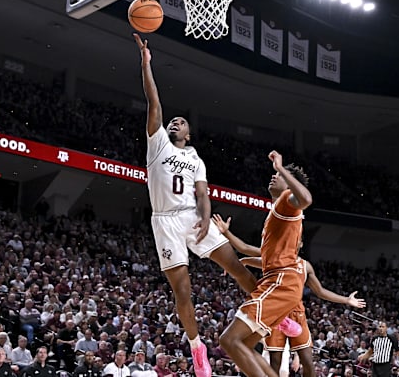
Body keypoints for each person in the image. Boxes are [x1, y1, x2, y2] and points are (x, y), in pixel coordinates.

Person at [133, 33, 259, 377]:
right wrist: (146, 65)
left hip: (192, 216)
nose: (175, 122)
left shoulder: (195, 157)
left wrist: (205, 219)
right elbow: (154, 103)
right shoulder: (158, 144)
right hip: (165, 222)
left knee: (237, 268)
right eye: (173, 121)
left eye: (182, 122)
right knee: (183, 290)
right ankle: (197, 347)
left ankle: (274, 314)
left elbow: (203, 194)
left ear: (188, 133)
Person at [212, 214, 367, 377]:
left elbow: (320, 291)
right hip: (276, 308)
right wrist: (240, 255)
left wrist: (346, 300)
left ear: (299, 243)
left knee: (307, 361)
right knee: (275, 360)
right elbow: (246, 249)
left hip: (296, 312)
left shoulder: (305, 266)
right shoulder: (277, 254)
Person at [219, 150, 313, 377]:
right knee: (244, 346)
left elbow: (307, 199)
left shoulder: (286, 202)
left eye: (280, 176)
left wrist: (281, 168)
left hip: (280, 283)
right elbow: (256, 252)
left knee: (229, 339)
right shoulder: (277, 213)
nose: (273, 176)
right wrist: (230, 240)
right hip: (280, 282)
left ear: (291, 185)